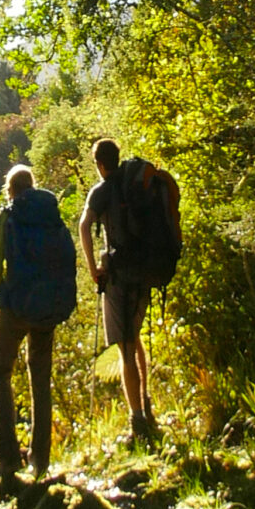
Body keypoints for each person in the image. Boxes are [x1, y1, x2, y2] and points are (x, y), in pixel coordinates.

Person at [79, 136, 179, 449]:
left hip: (120, 276)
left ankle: (137, 422)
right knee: (135, 340)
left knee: (124, 348)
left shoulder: (103, 190)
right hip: (146, 270)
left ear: (99, 164)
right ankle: (146, 408)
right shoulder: (136, 183)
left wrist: (93, 267)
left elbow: (84, 226)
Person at [0, 163, 76, 490]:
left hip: (14, 306)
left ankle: (8, 457)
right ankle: (40, 460)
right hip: (47, 308)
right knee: (41, 379)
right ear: (33, 186)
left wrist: (3, 293)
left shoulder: (8, 215)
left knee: (0, 372)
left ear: (10, 190)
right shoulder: (50, 215)